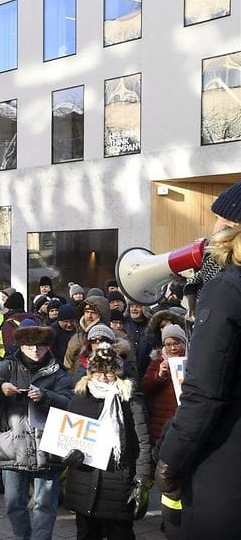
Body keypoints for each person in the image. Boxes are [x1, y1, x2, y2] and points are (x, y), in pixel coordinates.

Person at [157, 186, 241, 539]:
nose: (215, 225)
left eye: (223, 218)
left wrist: (171, 458)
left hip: (225, 464)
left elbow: (204, 392)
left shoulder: (227, 289)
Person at [0, 325, 74, 540]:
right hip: (13, 443)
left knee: (45, 504)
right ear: (21, 345)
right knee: (13, 502)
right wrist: (1, 387)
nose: (35, 350)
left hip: (47, 446)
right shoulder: (8, 366)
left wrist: (46, 396)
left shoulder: (58, 371)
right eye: (30, 346)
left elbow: (69, 401)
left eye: (40, 346)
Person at [63, 346, 152, 539]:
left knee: (120, 533)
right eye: (98, 372)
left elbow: (144, 444)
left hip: (118, 480)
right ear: (90, 373)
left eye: (109, 372)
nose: (103, 377)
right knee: (86, 533)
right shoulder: (79, 400)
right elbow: (64, 441)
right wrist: (69, 455)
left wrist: (141, 480)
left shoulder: (131, 402)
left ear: (117, 374)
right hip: (84, 479)